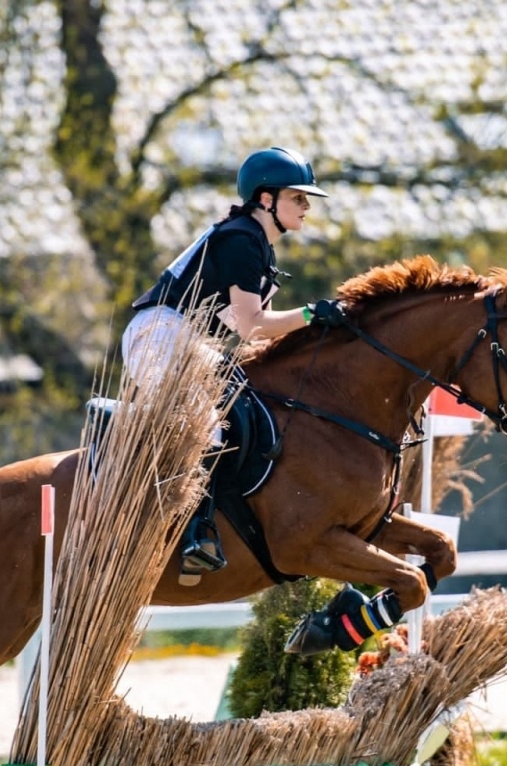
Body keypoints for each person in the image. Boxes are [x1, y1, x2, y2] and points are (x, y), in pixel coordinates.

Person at [127, 147, 348, 578]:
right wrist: (309, 315)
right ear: (266, 199)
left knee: (249, 407)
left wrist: (315, 326)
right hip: (158, 335)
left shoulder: (260, 247)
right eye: (297, 197)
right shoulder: (242, 239)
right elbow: (253, 326)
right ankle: (196, 531)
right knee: (209, 422)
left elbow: (257, 335)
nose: (306, 207)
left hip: (189, 341)